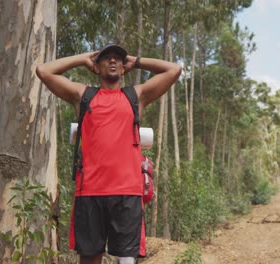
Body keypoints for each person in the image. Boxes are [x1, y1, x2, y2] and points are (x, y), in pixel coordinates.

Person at [36, 44, 181, 264]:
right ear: (97, 66)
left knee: (127, 260)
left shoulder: (136, 96)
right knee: (89, 259)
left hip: (127, 194)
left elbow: (174, 70)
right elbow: (44, 71)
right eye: (106, 58)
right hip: (90, 193)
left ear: (124, 68)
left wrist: (137, 60)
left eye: (118, 59)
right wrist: (83, 58)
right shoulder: (83, 95)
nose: (112, 61)